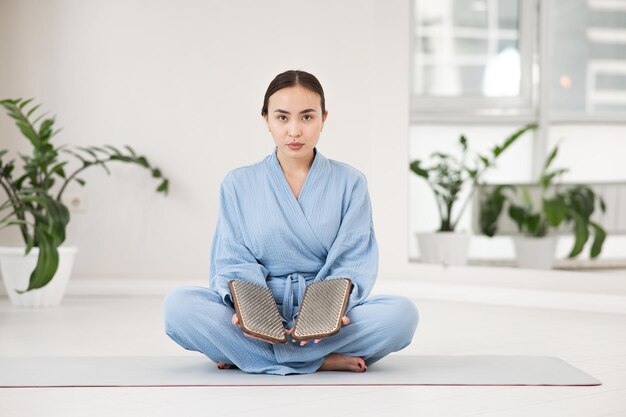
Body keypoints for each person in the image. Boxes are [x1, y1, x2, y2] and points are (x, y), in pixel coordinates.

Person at [163, 70, 418, 375]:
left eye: (307, 117)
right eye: (282, 118)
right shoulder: (238, 183)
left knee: (401, 316)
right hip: (256, 310)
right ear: (266, 120)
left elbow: (353, 258)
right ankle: (318, 361)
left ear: (324, 118)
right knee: (180, 307)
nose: (294, 130)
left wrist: (327, 312)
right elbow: (231, 258)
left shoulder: (350, 182)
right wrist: (250, 312)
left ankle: (250, 357)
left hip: (328, 313)